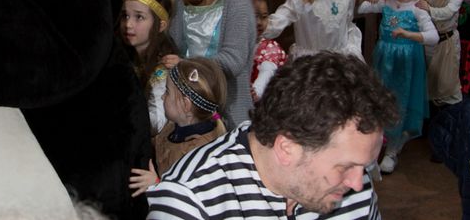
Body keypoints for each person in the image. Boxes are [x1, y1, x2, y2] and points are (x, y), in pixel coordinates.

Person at [146, 52, 400, 219]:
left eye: (364, 166)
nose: (359, 183)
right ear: (287, 148)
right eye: (345, 167)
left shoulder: (355, 188)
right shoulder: (189, 203)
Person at [164, 0, 256, 128]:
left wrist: (187, 64)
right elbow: (174, 46)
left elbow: (233, 61)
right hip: (187, 104)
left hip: (226, 111)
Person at [358, 0, 439, 174]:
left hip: (406, 63)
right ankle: (375, 145)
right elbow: (363, 8)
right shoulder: (386, 2)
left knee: (400, 101)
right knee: (380, 99)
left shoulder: (417, 8)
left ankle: (393, 150)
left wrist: (409, 35)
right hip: (384, 60)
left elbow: (433, 37)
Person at [128, 58, 226, 198]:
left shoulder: (197, 153)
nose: (162, 97)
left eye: (167, 92)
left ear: (185, 105)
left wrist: (156, 184)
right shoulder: (173, 126)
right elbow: (159, 143)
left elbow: (186, 197)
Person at [119, 0, 177, 134]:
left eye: (139, 17)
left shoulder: (163, 67)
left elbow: (156, 122)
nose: (128, 24)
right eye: (125, 15)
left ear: (160, 26)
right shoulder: (120, 54)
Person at [417, 0, 464, 108]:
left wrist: (428, 9)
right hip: (425, 42)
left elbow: (447, 13)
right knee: (427, 76)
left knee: (445, 81)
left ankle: (450, 113)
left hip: (446, 43)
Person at [249, 0, 286, 102]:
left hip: (262, 105)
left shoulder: (271, 49)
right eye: (254, 16)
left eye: (264, 17)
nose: (259, 22)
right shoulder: (234, 42)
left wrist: (255, 92)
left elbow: (266, 73)